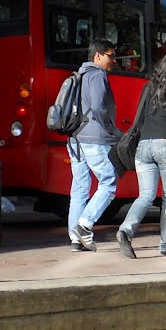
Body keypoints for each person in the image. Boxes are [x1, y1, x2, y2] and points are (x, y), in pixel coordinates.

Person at [116, 46, 166, 259]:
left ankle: (125, 231)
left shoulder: (149, 88)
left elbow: (139, 119)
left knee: (146, 195)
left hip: (144, 146)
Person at [68, 40, 120, 251]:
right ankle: (85, 224)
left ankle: (75, 238)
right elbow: (98, 105)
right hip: (94, 139)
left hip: (74, 139)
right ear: (98, 56)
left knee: (79, 188)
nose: (114, 60)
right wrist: (110, 128)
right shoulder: (98, 75)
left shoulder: (79, 75)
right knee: (108, 182)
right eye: (111, 55)